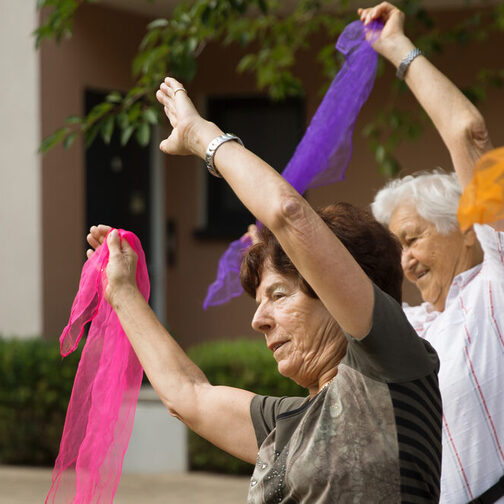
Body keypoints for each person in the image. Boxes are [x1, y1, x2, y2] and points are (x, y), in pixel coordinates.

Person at [86, 9, 444, 503]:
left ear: (340, 290)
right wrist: (121, 290)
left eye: (278, 294)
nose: (259, 320)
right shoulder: (289, 422)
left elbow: (289, 214)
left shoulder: (391, 364)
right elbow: (188, 397)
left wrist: (201, 137)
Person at [358, 3, 504, 503]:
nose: (404, 261)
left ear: (468, 229)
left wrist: (395, 46)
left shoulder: (496, 287)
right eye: (395, 247)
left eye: (413, 238)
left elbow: (469, 133)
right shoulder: (407, 326)